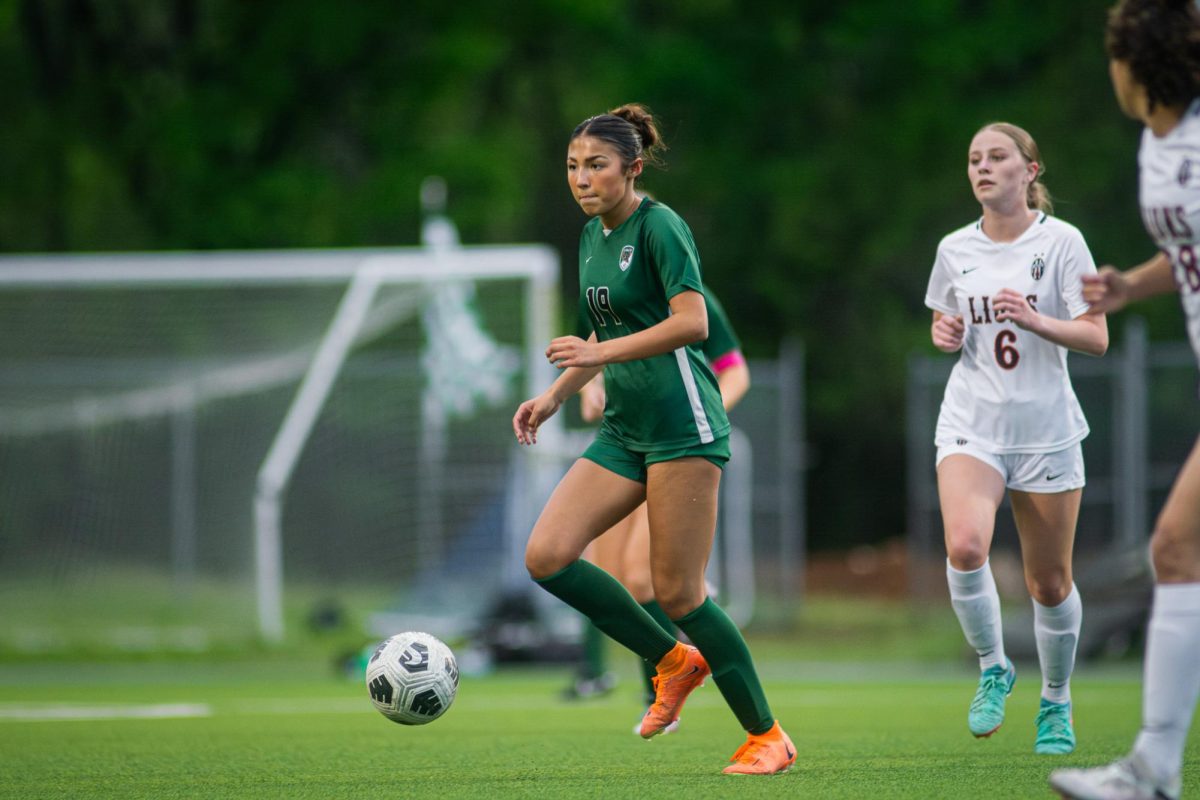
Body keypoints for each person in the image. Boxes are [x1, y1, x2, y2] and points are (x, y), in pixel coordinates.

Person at [513, 103, 794, 775]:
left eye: (597, 166)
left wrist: (600, 357)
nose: (581, 178)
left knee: (680, 594)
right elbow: (595, 338)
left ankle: (768, 737)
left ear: (632, 168)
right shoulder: (589, 237)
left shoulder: (661, 226)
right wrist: (551, 398)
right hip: (624, 430)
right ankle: (674, 662)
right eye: (573, 166)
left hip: (682, 427)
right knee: (548, 556)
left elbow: (693, 323)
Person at [1049, 2, 1200, 798]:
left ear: (1138, 64)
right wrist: (1130, 285)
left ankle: (1150, 773)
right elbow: (1189, 247)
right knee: (1176, 550)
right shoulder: (1158, 142)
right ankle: (1152, 771)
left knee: (1177, 548)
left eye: (1114, 55)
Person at [924, 122, 1109, 755]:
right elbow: (945, 322)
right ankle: (993, 666)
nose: (982, 167)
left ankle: (1056, 700)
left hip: (1046, 431)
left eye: (997, 157)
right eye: (974, 158)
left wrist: (1036, 319)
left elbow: (1096, 336)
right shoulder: (955, 248)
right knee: (967, 545)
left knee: (1050, 584)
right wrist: (944, 333)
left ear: (1030, 170)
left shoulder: (1062, 243)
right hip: (972, 420)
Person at [564, 288, 750, 729]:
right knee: (608, 576)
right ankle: (640, 675)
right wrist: (588, 390)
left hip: (678, 448)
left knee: (643, 575)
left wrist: (700, 418)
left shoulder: (691, 300)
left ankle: (664, 693)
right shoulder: (599, 293)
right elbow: (586, 358)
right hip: (625, 445)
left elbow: (734, 371)